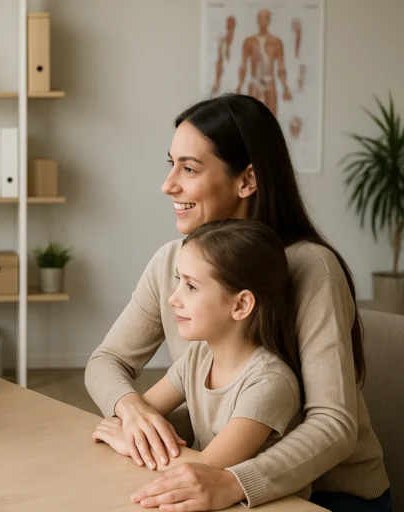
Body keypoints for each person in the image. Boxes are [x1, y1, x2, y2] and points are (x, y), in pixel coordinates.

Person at [85, 94, 391, 511]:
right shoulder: (172, 261)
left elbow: (333, 424)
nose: (168, 184)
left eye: (189, 168)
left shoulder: (311, 268)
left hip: (328, 494)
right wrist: (132, 409)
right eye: (171, 164)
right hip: (222, 474)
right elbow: (106, 360)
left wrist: (231, 483)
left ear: (247, 180)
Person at [93, 219, 310, 504]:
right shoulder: (197, 357)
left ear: (241, 305)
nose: (173, 299)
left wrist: (131, 445)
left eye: (191, 287)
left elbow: (207, 469)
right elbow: (137, 418)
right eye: (178, 281)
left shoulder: (270, 383)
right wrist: (133, 427)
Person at [236, 9, 292, 117]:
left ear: (269, 21)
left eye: (265, 19)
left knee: (271, 117)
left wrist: (285, 88)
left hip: (270, 81)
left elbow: (281, 67)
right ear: (257, 20)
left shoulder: (276, 42)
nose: (263, 22)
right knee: (253, 116)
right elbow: (243, 66)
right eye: (260, 19)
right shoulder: (249, 42)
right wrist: (240, 85)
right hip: (255, 82)